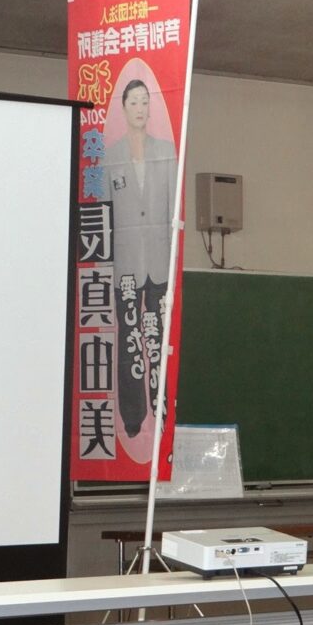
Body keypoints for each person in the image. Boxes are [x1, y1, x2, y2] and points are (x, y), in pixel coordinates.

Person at [103, 78, 177, 440]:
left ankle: (161, 408)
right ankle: (132, 415)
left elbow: (173, 208)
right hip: (127, 264)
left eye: (145, 102)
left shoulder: (166, 151)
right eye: (133, 102)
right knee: (129, 339)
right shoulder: (111, 155)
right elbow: (104, 212)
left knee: (159, 336)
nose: (140, 108)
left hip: (160, 260)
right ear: (123, 108)